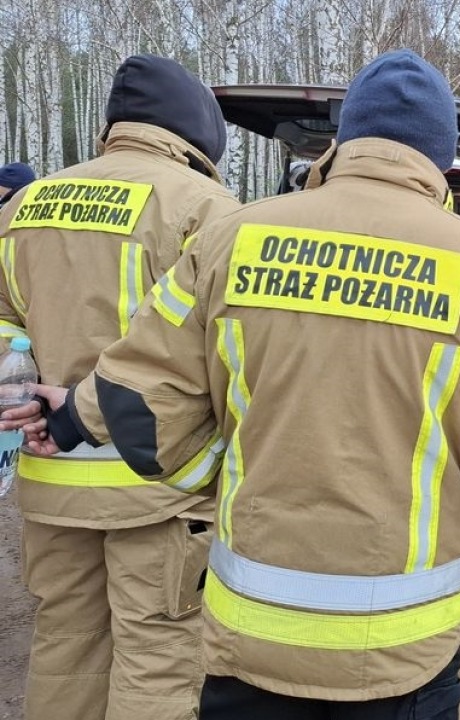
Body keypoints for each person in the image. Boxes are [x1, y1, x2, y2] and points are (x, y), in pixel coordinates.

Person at [27, 49, 460, 719]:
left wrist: (222, 477)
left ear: (344, 140)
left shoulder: (234, 236)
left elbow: (134, 401)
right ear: (443, 160)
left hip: (251, 629)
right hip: (405, 640)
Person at [0, 54, 238, 720]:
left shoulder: (25, 203)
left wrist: (25, 400)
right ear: (198, 127)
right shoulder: (205, 206)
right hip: (158, 486)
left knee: (66, 650)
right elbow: (220, 354)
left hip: (49, 479)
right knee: (159, 661)